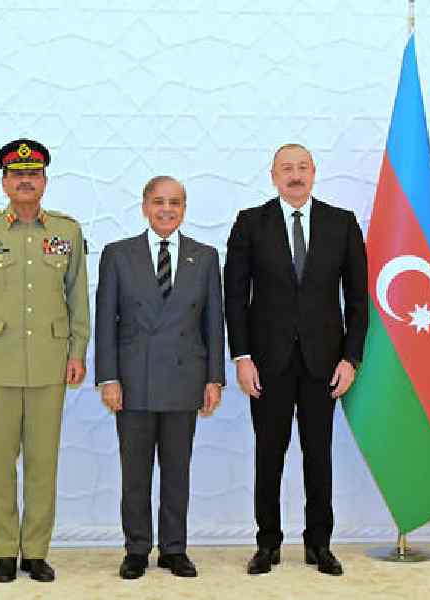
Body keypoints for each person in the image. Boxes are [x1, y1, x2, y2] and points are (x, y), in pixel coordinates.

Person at [223, 144, 367, 576]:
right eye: (287, 168)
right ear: (273, 175)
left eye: (302, 167)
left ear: (314, 172)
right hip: (268, 363)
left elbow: (358, 300)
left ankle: (319, 544)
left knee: (318, 455)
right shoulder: (251, 223)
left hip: (325, 363)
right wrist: (242, 357)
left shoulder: (342, 224)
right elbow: (235, 296)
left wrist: (351, 359)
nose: (295, 175)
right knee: (269, 454)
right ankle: (267, 544)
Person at [0, 138, 90, 583]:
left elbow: (77, 299)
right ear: (5, 182)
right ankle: (5, 551)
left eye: (33, 174)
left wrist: (77, 352)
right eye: (17, 175)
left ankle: (36, 552)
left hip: (50, 364)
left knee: (43, 462)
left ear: (45, 181)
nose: (25, 181)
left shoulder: (66, 232)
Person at [94, 176, 224, 580]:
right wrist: (108, 378)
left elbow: (212, 322)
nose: (166, 209)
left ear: (184, 208)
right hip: (133, 381)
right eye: (158, 202)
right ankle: (136, 549)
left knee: (177, 471)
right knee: (134, 474)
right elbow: (106, 321)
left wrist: (214, 378)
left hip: (185, 379)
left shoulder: (204, 256)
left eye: (175, 202)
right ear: (144, 205)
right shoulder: (118, 254)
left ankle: (173, 549)